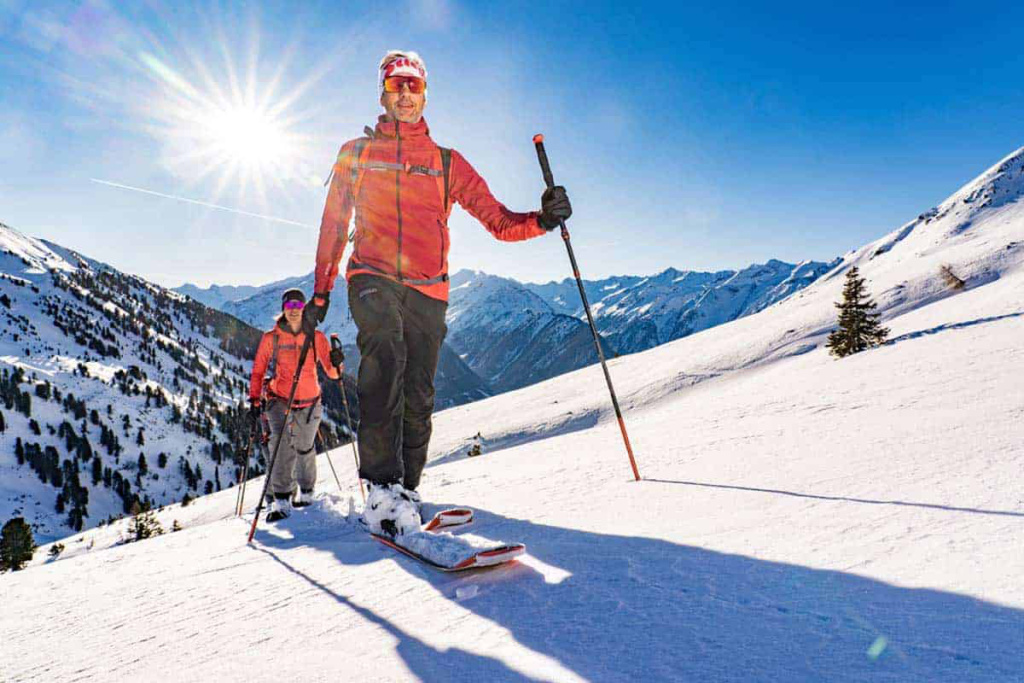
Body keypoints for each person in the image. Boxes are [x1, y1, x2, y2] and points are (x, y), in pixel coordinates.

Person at [303, 50, 572, 536]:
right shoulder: (357, 155)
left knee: (420, 392)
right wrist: (321, 290)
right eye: (396, 85)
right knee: (385, 354)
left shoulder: (447, 163)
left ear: (425, 94)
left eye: (414, 86)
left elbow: (498, 220)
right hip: (372, 276)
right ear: (382, 93)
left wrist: (543, 218)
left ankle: (406, 488)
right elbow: (333, 223)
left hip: (430, 290)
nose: (405, 94)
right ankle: (381, 489)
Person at [249, 288, 344, 521]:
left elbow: (332, 374)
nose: (293, 311)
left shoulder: (316, 337)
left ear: (303, 309)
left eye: (298, 306)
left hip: (310, 401)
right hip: (279, 399)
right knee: (281, 446)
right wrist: (254, 398)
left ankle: (307, 493)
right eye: (289, 306)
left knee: (304, 447)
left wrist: (338, 363)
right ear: (283, 309)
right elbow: (259, 370)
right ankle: (281, 500)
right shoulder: (271, 338)